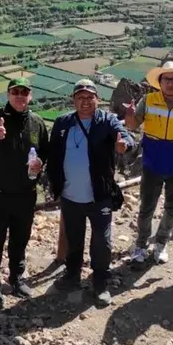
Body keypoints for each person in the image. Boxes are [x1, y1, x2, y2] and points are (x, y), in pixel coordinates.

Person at [47, 80, 134, 307]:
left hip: (100, 194)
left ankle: (100, 282)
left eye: (89, 97)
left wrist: (124, 144)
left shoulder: (107, 121)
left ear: (97, 99)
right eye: (80, 97)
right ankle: (72, 275)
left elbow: (126, 137)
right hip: (70, 195)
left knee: (101, 242)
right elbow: (51, 153)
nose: (85, 102)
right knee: (74, 239)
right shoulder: (62, 123)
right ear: (74, 100)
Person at [123, 61, 173, 266]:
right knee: (146, 208)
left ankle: (161, 243)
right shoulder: (148, 100)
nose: (170, 83)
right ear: (159, 82)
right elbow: (133, 125)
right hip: (153, 162)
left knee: (172, 207)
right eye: (166, 79)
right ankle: (141, 245)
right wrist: (129, 116)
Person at [0, 77, 49, 306]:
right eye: (15, 92)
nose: (20, 96)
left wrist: (40, 164)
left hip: (26, 193)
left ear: (30, 96)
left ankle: (17, 277)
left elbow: (44, 152)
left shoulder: (37, 122)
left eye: (24, 92)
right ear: (8, 95)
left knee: (21, 238)